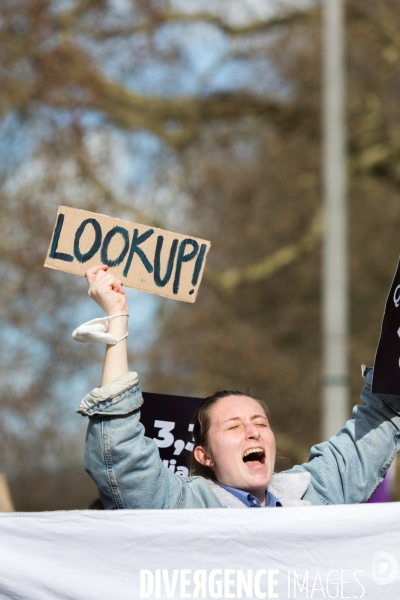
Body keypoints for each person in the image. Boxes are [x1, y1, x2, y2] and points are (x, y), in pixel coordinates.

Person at [78, 265, 400, 510]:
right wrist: (117, 316)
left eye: (260, 423)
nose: (253, 431)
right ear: (204, 456)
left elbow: (381, 417)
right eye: (234, 426)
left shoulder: (313, 494)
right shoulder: (181, 507)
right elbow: (119, 452)